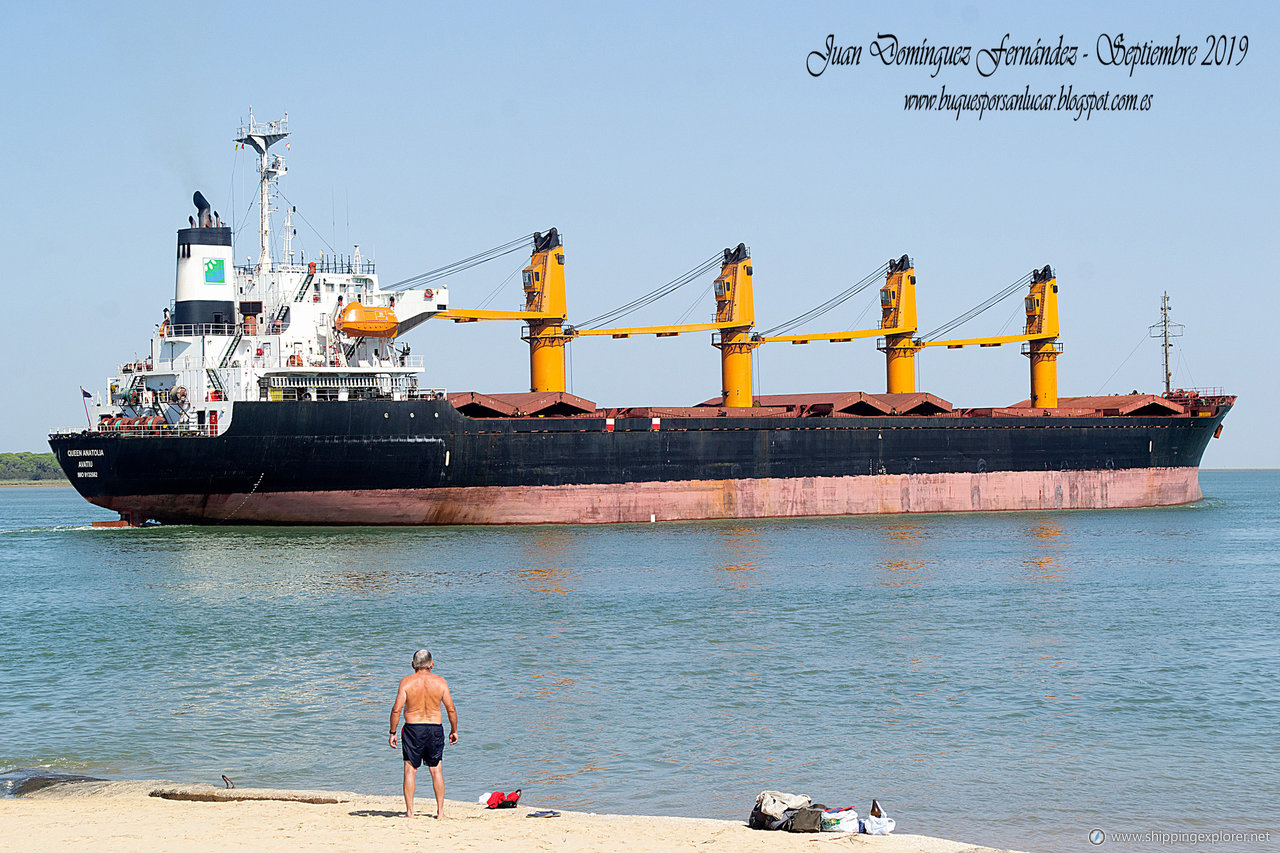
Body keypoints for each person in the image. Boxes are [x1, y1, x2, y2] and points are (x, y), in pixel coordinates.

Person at [389, 649, 458, 818]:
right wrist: (454, 730)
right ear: (432, 664)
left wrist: (392, 732)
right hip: (435, 728)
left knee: (410, 770)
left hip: (413, 729)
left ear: (413, 664)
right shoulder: (440, 682)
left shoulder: (406, 682)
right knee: (436, 770)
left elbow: (396, 710)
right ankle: (440, 812)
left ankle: (410, 812)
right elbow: (451, 708)